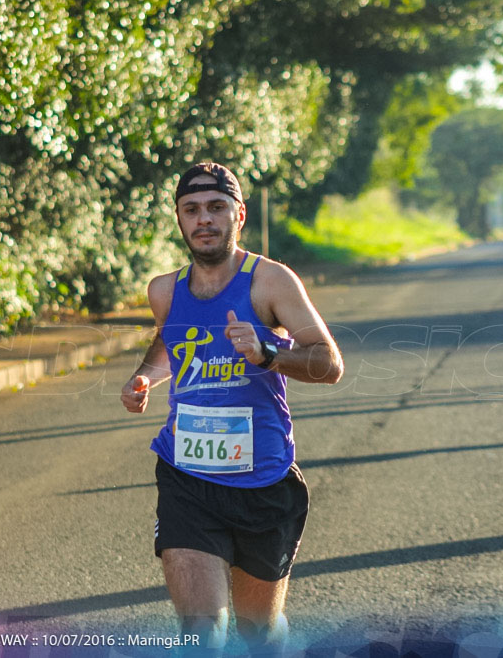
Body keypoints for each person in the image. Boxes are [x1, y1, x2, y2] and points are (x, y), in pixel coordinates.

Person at [120, 162, 344, 652]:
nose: (205, 219)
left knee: (258, 633)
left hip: (264, 482)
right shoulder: (165, 290)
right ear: (179, 219)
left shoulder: (270, 282)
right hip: (188, 478)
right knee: (203, 633)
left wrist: (269, 353)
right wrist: (145, 378)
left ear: (238, 215)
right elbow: (172, 343)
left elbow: (329, 363)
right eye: (192, 209)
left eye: (216, 208)